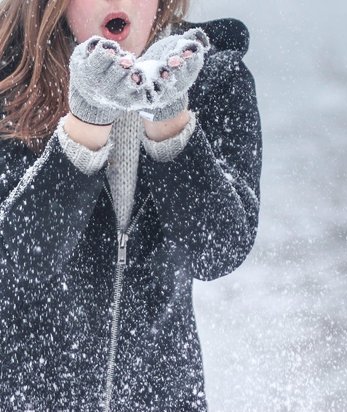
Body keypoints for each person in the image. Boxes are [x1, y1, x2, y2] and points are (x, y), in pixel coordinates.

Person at [0, 0, 262, 410]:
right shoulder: (9, 80)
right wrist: (86, 122)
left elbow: (218, 250)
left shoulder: (215, 79)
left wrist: (170, 120)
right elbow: (19, 256)